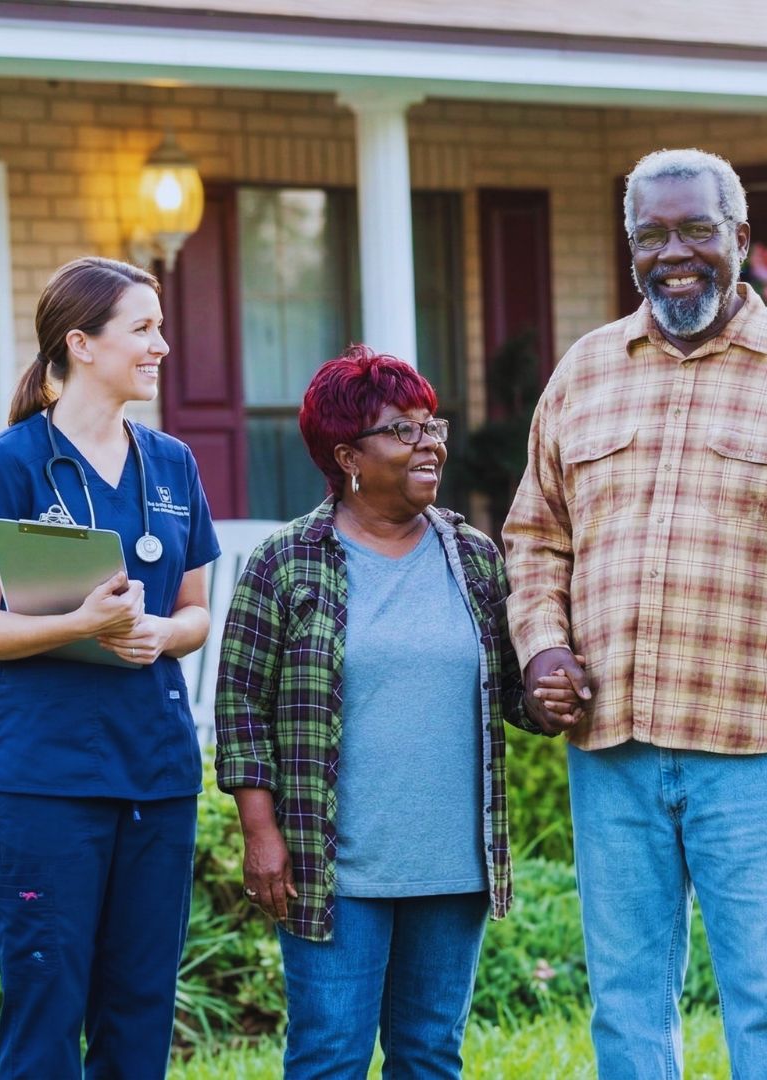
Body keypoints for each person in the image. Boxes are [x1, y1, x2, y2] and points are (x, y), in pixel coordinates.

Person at [502, 147, 767, 1079]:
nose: (676, 253)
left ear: (739, 237)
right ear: (630, 250)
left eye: (697, 230)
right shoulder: (583, 373)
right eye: (652, 235)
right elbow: (535, 537)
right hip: (612, 747)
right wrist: (542, 650)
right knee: (626, 1003)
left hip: (760, 748)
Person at [215, 345, 542, 1080]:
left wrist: (554, 696)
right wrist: (260, 834)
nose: (429, 444)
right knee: (330, 1057)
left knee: (429, 1057)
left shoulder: (473, 556)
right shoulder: (286, 563)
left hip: (451, 866)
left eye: (433, 426)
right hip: (334, 870)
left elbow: (515, 692)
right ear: (347, 456)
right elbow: (240, 709)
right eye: (404, 430)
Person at [0, 256, 220, 1079]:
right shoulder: (11, 463)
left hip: (157, 775)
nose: (161, 346)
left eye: (159, 328)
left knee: (139, 1018)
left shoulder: (172, 465)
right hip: (48, 783)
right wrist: (81, 623)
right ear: (81, 343)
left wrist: (160, 634)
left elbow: (198, 612)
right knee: (45, 1015)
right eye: (142, 329)